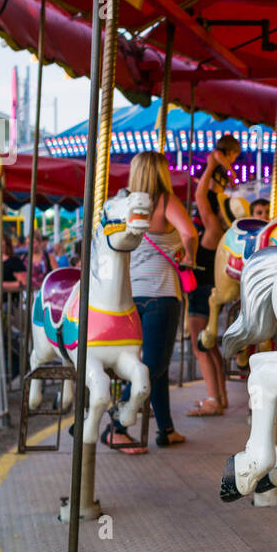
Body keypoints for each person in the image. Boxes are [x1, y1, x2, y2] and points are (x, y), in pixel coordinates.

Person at [103, 151, 200, 453]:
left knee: (150, 365)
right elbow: (190, 233)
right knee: (154, 365)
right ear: (160, 172)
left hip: (129, 298)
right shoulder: (164, 201)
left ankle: (166, 428)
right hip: (161, 294)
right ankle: (115, 425)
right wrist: (189, 256)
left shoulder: (125, 203)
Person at [188, 134, 240, 417]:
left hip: (200, 288)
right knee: (211, 344)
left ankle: (212, 399)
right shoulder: (221, 230)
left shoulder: (210, 228)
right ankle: (221, 397)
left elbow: (199, 196)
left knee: (199, 343)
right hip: (210, 288)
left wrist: (209, 167)